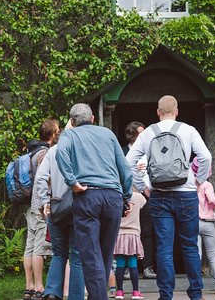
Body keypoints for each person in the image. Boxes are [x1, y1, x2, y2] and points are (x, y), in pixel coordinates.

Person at [126, 95, 212, 300]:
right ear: (177, 111)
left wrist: (143, 187)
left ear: (157, 112)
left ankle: (166, 294)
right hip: (187, 194)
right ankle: (196, 293)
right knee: (190, 245)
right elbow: (206, 157)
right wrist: (199, 181)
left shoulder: (147, 133)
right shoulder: (188, 130)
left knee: (164, 247)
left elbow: (128, 162)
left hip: (159, 195)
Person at [56, 103, 133, 300]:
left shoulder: (69, 135)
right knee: (105, 255)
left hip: (88, 196)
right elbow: (124, 167)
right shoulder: (107, 134)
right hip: (113, 197)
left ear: (72, 122)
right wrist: (127, 196)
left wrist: (73, 183)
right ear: (92, 119)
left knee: (90, 257)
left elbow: (60, 154)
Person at [34, 120, 86, 300]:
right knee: (77, 255)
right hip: (79, 206)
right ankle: (76, 296)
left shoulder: (53, 151)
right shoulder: (82, 151)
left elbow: (41, 178)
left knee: (59, 253)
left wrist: (44, 201)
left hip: (56, 207)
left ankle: (52, 292)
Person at [23, 119, 58, 299]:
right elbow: (46, 178)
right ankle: (38, 287)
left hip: (29, 204)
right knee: (39, 247)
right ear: (53, 134)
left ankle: (29, 286)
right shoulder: (45, 152)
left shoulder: (31, 151)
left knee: (29, 246)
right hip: (40, 204)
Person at [124, 121, 156, 280]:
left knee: (148, 231)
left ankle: (148, 267)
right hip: (130, 196)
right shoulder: (123, 152)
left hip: (148, 195)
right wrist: (132, 170)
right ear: (132, 135)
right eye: (141, 133)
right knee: (128, 232)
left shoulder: (149, 150)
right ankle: (129, 268)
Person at [191, 157, 215, 294]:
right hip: (208, 223)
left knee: (196, 254)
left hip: (194, 223)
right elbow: (211, 199)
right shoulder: (207, 185)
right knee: (212, 254)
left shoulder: (191, 184)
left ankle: (197, 285)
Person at [113, 188, 147, 300]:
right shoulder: (138, 197)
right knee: (133, 263)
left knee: (120, 264)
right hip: (133, 234)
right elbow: (144, 202)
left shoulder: (116, 196)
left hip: (119, 234)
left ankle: (119, 291)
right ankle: (136, 292)